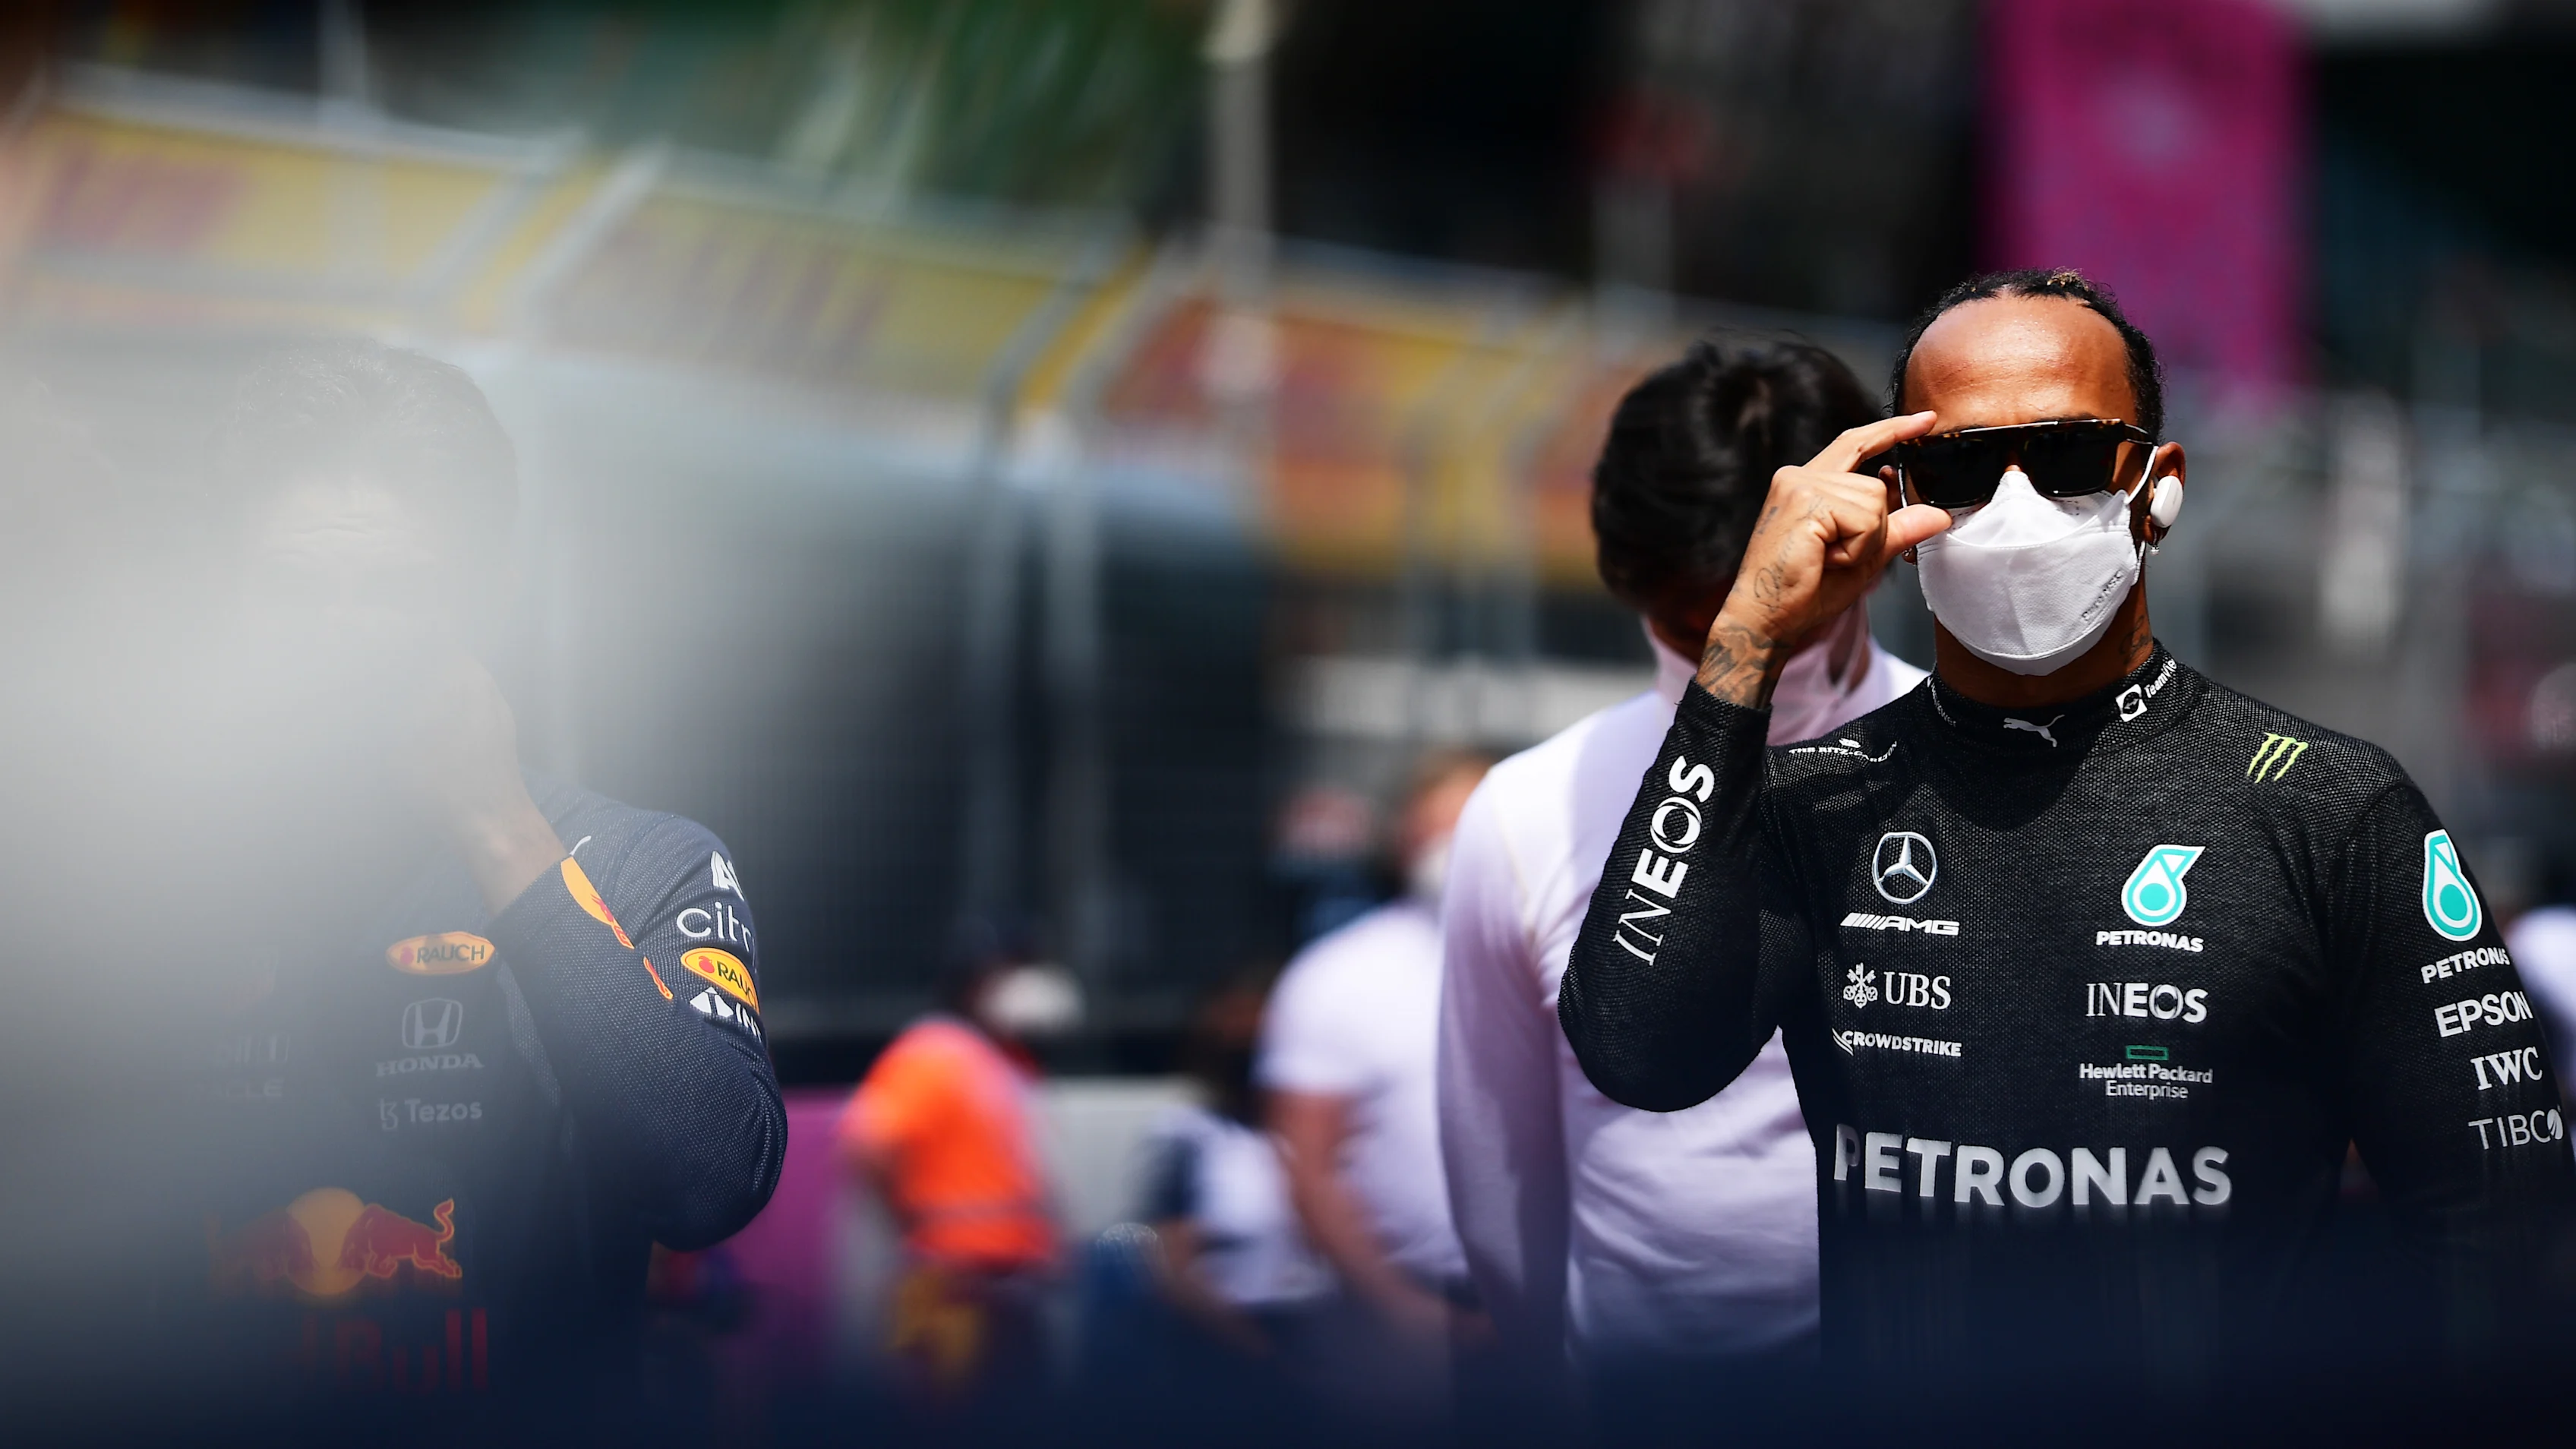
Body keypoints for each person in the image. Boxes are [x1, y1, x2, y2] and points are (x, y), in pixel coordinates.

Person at [1557, 270, 2576, 1410]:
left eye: (2067, 457)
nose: (2013, 506)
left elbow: (2501, 1229)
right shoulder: (1820, 801)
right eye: (1958, 469)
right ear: (1899, 505)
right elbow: (1636, 1054)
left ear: (2158, 487)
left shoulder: (2328, 809)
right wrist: (1747, 636)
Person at [179, 341, 787, 1412]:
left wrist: (495, 824)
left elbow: (708, 1179)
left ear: (489, 598)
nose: (339, 635)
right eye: (293, 589)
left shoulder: (640, 862)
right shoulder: (123, 880)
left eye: (393, 590)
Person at [1438, 336, 1921, 1430]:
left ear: (1866, 544)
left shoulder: (1978, 769)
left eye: (1781, 613)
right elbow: (1497, 1181)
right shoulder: (1524, 811)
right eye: (1691, 624)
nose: (1739, 654)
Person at [1260, 752, 1489, 1430]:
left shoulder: (1584, 961)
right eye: (1434, 830)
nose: (1452, 849)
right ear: (1402, 842)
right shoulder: (1338, 976)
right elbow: (1308, 1164)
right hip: (1394, 1315)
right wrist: (1398, 1309)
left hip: (1551, 1313)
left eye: (1472, 825)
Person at [838, 945, 1074, 1406]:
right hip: (956, 1294)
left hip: (1012, 1290)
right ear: (973, 987)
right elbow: (867, 1146)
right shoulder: (931, 1053)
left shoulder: (1001, 1061)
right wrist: (917, 1237)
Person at [1133, 974, 1332, 1429]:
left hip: (1320, 1340)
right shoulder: (1188, 1135)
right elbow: (1172, 1267)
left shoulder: (1312, 1139)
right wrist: (1262, 1355)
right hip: (1230, 1352)